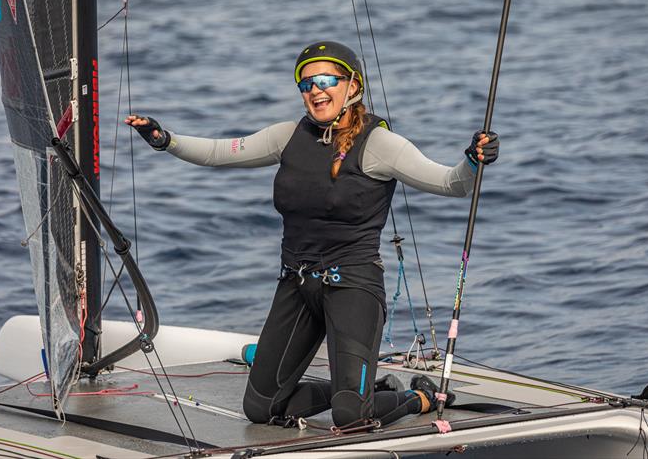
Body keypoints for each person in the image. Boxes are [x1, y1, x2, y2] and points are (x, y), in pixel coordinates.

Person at [126, 41, 499, 429]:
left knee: (351, 416)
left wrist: (472, 160)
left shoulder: (380, 143)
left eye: (326, 80)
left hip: (353, 287)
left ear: (353, 86)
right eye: (306, 84)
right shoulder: (288, 136)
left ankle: (413, 397)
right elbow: (221, 151)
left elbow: (449, 183)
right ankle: (367, 387)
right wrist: (164, 139)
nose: (315, 90)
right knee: (261, 408)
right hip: (297, 285)